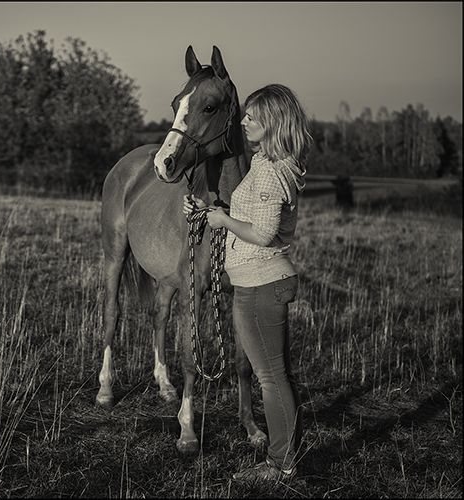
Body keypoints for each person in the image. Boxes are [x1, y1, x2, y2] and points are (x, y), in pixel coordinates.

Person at [184, 83, 312, 483]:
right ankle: (288, 456)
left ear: (272, 123)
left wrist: (222, 220)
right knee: (279, 375)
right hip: (262, 280)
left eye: (252, 117)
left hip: (261, 283)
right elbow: (252, 215)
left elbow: (262, 232)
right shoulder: (269, 163)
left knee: (271, 379)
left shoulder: (271, 171)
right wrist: (211, 209)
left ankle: (280, 465)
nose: (243, 122)